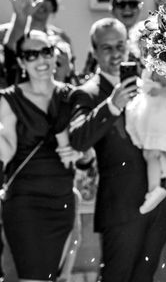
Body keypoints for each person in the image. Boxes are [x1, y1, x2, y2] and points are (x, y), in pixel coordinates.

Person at [68, 18, 166, 282]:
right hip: (120, 208)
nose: (115, 54)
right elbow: (77, 139)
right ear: (94, 52)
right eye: (106, 48)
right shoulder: (87, 93)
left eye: (120, 45)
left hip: (158, 203)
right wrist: (111, 106)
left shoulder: (146, 82)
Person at [0, 30, 81, 281]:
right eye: (31, 55)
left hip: (62, 199)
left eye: (46, 51)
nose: (41, 60)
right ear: (22, 62)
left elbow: (84, 146)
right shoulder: (10, 99)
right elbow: (7, 151)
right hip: (26, 203)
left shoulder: (70, 94)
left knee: (52, 277)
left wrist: (80, 148)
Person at [125, 68, 166, 214]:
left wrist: (157, 92)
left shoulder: (159, 68)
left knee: (151, 154)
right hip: (157, 116)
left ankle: (154, 190)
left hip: (158, 117)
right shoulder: (154, 66)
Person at [2, 0, 73, 86]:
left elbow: (69, 75)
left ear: (54, 5)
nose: (42, 2)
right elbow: (10, 52)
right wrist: (21, 18)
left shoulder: (61, 38)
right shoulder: (4, 33)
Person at [81, 0, 144, 78]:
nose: (127, 9)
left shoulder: (149, 38)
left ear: (139, 8)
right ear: (112, 9)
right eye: (121, 4)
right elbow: (88, 75)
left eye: (132, 4)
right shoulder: (101, 38)